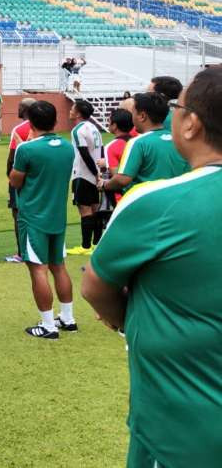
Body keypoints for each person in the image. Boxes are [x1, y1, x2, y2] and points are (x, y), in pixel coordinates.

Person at [83, 66, 222, 468]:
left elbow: (96, 286)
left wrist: (128, 318)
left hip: (184, 431)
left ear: (191, 123)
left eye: (177, 106)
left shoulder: (155, 202)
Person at [8, 101, 76, 339]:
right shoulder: (67, 147)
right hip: (58, 215)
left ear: (31, 123)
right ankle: (68, 317)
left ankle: (48, 325)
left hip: (33, 216)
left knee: (38, 270)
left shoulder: (26, 149)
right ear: (55, 121)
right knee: (59, 266)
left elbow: (15, 180)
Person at [103, 92, 189, 195]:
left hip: (148, 202)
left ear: (142, 116)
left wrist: (104, 185)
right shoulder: (179, 140)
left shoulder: (137, 142)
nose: (132, 117)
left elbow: (122, 179)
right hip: (176, 200)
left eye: (133, 112)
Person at [67, 100, 104, 256]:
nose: (70, 110)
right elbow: (101, 151)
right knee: (95, 208)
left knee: (85, 210)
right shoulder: (94, 128)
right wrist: (100, 172)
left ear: (79, 113)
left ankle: (85, 246)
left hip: (82, 174)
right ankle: (96, 244)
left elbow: (84, 153)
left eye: (73, 109)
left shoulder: (77, 130)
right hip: (95, 174)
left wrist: (95, 173)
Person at [4, 97, 36, 263]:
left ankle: (21, 252)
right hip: (37, 177)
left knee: (18, 213)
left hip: (21, 175)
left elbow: (13, 155)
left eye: (19, 106)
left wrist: (10, 175)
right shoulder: (41, 127)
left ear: (24, 110)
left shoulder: (20, 128)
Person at [95, 108, 135, 232]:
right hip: (141, 192)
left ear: (115, 125)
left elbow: (117, 176)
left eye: (109, 121)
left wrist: (103, 184)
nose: (108, 123)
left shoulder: (111, 147)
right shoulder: (137, 141)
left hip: (122, 197)